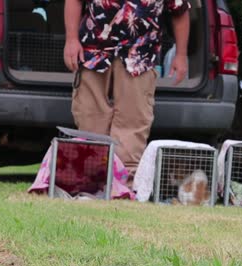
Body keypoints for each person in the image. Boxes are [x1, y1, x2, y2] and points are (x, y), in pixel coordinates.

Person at [63, 0, 190, 184]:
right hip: (93, 50)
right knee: (89, 114)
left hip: (141, 55)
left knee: (134, 119)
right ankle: (91, 183)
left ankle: (124, 185)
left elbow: (180, 10)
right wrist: (71, 39)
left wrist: (180, 55)